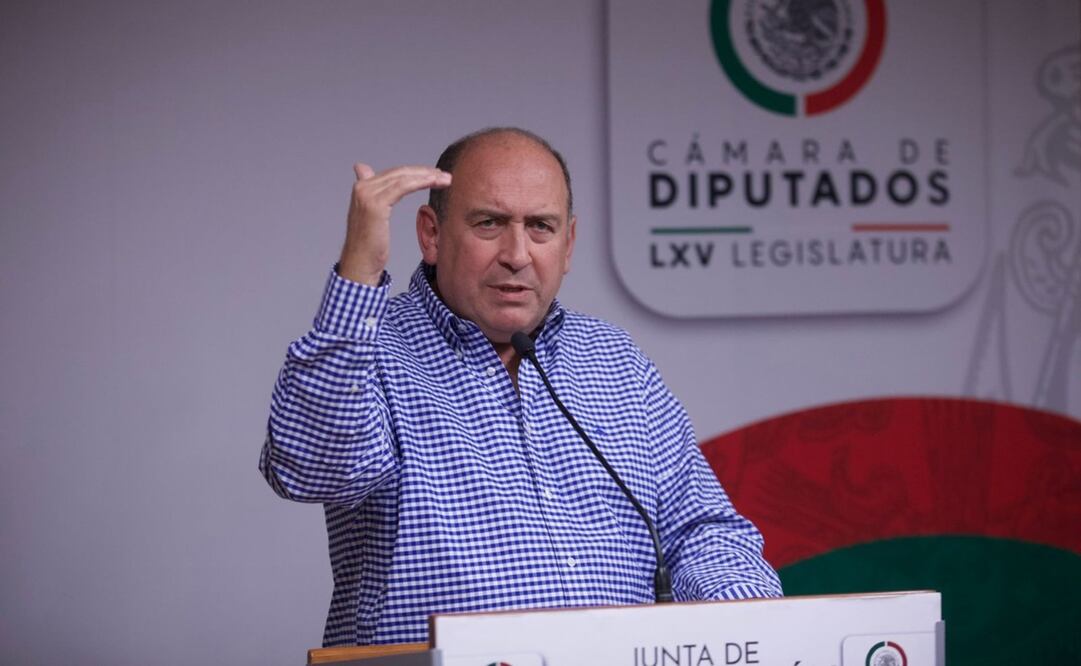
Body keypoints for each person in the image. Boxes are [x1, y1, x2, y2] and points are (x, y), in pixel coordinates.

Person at [260, 127, 782, 647]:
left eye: (541, 227)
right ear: (431, 234)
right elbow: (313, 472)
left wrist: (764, 631)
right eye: (489, 223)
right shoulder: (367, 350)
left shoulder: (615, 359)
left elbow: (702, 532)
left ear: (568, 243)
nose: (517, 253)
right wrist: (358, 275)